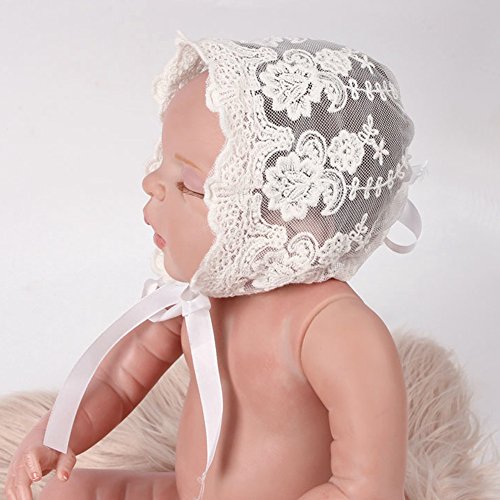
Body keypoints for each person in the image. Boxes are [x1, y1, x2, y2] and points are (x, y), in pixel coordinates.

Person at [4, 32, 426, 500]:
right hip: (188, 492)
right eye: (162, 162)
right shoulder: (203, 294)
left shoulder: (335, 329)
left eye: (189, 184)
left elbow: (365, 488)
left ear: (295, 213)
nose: (151, 182)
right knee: (66, 493)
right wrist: (56, 434)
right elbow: (117, 381)